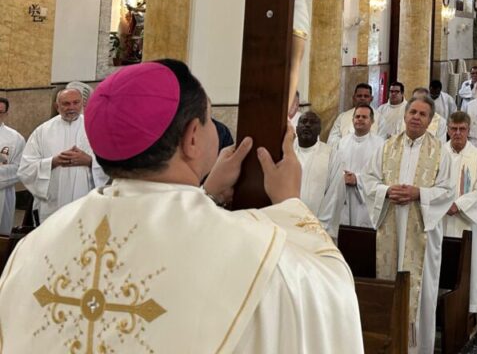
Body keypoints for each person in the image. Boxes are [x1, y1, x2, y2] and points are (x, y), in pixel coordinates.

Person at [0, 60, 362, 352]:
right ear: (192, 138)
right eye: (207, 120)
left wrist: (204, 194)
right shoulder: (258, 257)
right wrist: (290, 204)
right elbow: (329, 294)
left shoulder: (32, 248)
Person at [365, 94, 455, 354]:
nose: (416, 117)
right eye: (412, 112)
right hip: (390, 225)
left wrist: (419, 194)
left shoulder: (440, 152)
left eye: (422, 114)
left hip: (423, 232)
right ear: (404, 116)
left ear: (430, 120)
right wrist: (385, 191)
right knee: (389, 282)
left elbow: (448, 190)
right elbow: (369, 181)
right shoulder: (386, 147)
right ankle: (388, 342)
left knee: (422, 291)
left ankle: (417, 349)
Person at [19, 84, 107, 222]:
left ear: (82, 103)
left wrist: (89, 161)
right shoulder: (42, 132)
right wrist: (53, 162)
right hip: (53, 204)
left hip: (85, 200)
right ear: (57, 106)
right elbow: (25, 169)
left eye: (75, 102)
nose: (71, 107)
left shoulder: (96, 127)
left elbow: (114, 163)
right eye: (66, 103)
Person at [443, 111, 477, 316]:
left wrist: (459, 205)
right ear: (447, 129)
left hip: (468, 221)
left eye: (462, 129)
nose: (457, 133)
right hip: (441, 220)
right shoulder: (438, 153)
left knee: (470, 263)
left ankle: (469, 307)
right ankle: (442, 304)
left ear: (468, 131)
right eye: (453, 129)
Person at [335, 104, 384, 228]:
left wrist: (357, 179)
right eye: (357, 116)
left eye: (364, 117)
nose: (360, 119)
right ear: (352, 120)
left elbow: (381, 175)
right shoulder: (342, 142)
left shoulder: (380, 145)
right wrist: (342, 177)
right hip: (344, 196)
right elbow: (335, 168)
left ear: (372, 121)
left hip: (365, 200)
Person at [293, 111, 342, 233]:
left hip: (318, 227)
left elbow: (335, 194)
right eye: (303, 122)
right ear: (296, 128)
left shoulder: (331, 155)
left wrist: (321, 226)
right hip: (288, 224)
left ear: (319, 130)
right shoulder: (286, 152)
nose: (307, 125)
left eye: (312, 122)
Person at [0, 98, 25, 234]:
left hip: (3, 194)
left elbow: (20, 168)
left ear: (6, 114)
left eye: (0, 112)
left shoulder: (15, 138)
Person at [327, 82, 374, 146]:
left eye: (366, 96)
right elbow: (332, 140)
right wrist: (347, 145)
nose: (362, 98)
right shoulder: (342, 117)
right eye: (359, 96)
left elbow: (381, 143)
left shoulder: (380, 119)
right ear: (354, 98)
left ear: (371, 99)